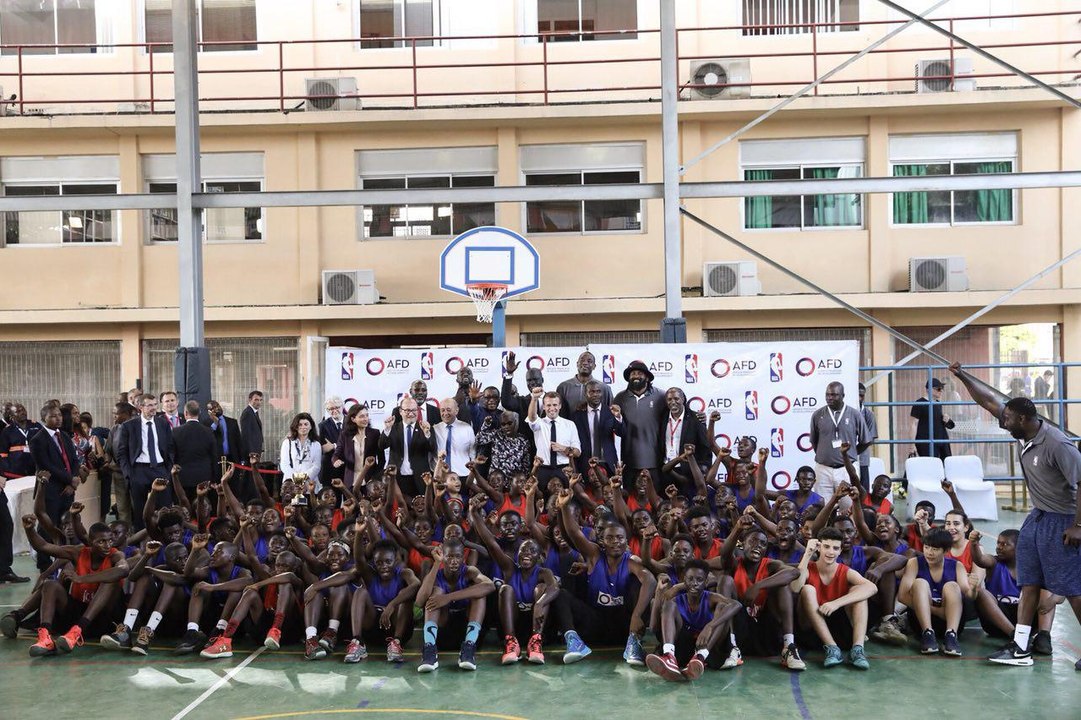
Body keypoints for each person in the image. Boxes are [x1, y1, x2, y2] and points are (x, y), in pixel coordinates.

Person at [949, 361, 1081, 668]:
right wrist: (962, 374)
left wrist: (1078, 524)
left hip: (1064, 519)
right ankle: (1021, 646)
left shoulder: (1058, 444)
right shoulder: (1023, 432)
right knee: (1029, 581)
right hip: (1039, 516)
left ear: (1023, 418)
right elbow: (987, 400)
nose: (1001, 420)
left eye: (1007, 417)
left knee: (1071, 587)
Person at [554, 486, 656, 666]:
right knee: (561, 594)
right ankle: (574, 642)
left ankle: (634, 643)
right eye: (610, 538)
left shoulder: (631, 561)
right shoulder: (594, 555)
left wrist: (637, 615)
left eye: (620, 538)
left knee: (638, 583)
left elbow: (650, 579)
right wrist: (564, 508)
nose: (616, 542)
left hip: (623, 627)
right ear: (602, 541)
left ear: (626, 541)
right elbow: (574, 534)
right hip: (595, 625)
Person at [21, 516, 129, 656]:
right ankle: (44, 637)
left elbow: (123, 570)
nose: (107, 545)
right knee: (50, 585)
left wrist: (82, 578)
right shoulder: (78, 552)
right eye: (101, 542)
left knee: (111, 579)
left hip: (104, 620)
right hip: (78, 614)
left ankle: (77, 632)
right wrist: (29, 530)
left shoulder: (116, 555)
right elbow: (43, 546)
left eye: (109, 541)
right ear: (90, 542)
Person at [791, 530, 876, 669]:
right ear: (819, 547)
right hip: (811, 632)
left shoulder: (845, 571)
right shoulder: (809, 568)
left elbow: (872, 587)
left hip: (840, 631)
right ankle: (831, 649)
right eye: (826, 546)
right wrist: (807, 554)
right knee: (807, 589)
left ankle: (857, 649)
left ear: (840, 551)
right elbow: (795, 588)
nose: (831, 552)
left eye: (835, 548)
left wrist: (836, 603)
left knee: (859, 591)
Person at [644, 558, 741, 681]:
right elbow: (653, 627)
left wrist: (710, 626)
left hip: (710, 651)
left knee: (723, 606)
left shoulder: (711, 598)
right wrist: (659, 592)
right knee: (669, 605)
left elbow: (737, 605)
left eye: (699, 580)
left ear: (706, 582)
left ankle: (700, 657)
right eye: (690, 579)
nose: (695, 583)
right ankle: (669, 656)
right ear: (684, 580)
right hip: (685, 650)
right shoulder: (676, 601)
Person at [415, 541, 496, 672]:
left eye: (457, 556)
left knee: (479, 593)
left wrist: (448, 597)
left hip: (466, 633)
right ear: (443, 557)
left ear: (463, 558)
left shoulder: (470, 571)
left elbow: (490, 585)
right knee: (437, 592)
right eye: (449, 557)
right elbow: (419, 601)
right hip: (443, 634)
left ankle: (468, 649)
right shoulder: (437, 573)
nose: (454, 561)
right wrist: (436, 563)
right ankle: (429, 650)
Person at [897, 527, 970, 656]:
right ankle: (927, 633)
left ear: (946, 551)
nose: (929, 552)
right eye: (926, 547)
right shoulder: (914, 563)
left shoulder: (957, 566)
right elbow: (902, 596)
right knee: (920, 583)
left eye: (935, 549)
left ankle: (951, 635)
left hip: (950, 620)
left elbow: (967, 594)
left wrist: (974, 589)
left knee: (952, 586)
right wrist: (938, 611)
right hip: (921, 620)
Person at [29, 404, 81, 564]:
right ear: (44, 419)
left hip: (67, 489)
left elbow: (73, 460)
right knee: (47, 526)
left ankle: (65, 560)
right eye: (53, 416)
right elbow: (46, 465)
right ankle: (44, 563)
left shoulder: (64, 436)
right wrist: (69, 479)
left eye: (59, 415)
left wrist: (72, 482)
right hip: (49, 489)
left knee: (67, 525)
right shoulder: (37, 440)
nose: (58, 418)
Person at [116, 393, 175, 530]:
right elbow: (122, 453)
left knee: (165, 509)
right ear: (140, 407)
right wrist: (129, 474)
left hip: (160, 469)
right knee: (140, 511)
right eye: (149, 405)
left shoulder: (163, 423)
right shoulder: (129, 426)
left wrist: (167, 469)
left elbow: (170, 447)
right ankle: (140, 544)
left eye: (155, 405)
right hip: (139, 471)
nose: (153, 408)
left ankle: (165, 540)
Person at [807, 382, 869, 505]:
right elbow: (814, 442)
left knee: (848, 506)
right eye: (827, 394)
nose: (830, 397)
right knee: (824, 507)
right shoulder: (818, 415)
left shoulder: (854, 414)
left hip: (846, 469)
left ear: (843, 395)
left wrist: (851, 453)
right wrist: (826, 454)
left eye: (834, 395)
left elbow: (866, 441)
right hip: (823, 468)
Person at [613, 360, 667, 489]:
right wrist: (618, 418)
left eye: (639, 373)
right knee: (631, 499)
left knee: (655, 499)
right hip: (629, 461)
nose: (636, 376)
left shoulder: (661, 396)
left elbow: (677, 414)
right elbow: (618, 431)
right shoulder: (620, 398)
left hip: (655, 460)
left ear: (647, 377)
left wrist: (699, 417)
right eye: (633, 374)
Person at [658, 387, 710, 494]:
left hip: (687, 472)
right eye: (669, 399)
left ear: (683, 399)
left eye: (676, 399)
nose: (673, 402)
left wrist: (704, 468)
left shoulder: (696, 418)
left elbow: (705, 447)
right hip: (666, 470)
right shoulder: (661, 418)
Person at [526, 387, 580, 488]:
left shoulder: (570, 425)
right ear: (544, 407)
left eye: (555, 405)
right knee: (542, 501)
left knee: (565, 500)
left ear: (560, 406)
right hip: (543, 469)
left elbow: (577, 452)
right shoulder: (539, 424)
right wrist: (534, 398)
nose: (551, 408)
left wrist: (564, 448)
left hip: (564, 470)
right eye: (548, 405)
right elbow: (532, 417)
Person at [379, 397, 432, 498]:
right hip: (397, 478)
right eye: (407, 410)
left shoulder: (425, 428)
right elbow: (382, 446)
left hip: (420, 478)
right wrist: (387, 429)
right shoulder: (393, 428)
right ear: (400, 411)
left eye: (414, 410)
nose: (411, 413)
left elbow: (433, 448)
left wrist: (427, 434)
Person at [171, 401, 220, 504]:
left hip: (182, 478)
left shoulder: (175, 432)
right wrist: (214, 479)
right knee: (203, 509)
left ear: (185, 413)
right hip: (204, 478)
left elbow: (172, 456)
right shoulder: (208, 432)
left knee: (185, 511)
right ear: (199, 412)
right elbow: (214, 456)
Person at [570, 379, 622, 475]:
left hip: (608, 462)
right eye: (592, 392)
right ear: (586, 394)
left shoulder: (610, 412)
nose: (595, 394)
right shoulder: (577, 416)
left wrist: (618, 417)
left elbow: (622, 432)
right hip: (585, 463)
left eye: (598, 391)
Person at [205, 400, 250, 501]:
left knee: (234, 487)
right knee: (219, 488)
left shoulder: (232, 422)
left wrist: (242, 460)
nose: (216, 408)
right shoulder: (206, 424)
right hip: (216, 461)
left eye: (217, 406)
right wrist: (215, 423)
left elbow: (239, 441)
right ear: (209, 412)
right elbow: (208, 438)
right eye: (212, 408)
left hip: (232, 459)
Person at [333, 403, 383, 491]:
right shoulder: (345, 435)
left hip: (370, 482)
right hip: (350, 482)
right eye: (361, 416)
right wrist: (335, 460)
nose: (365, 419)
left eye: (367, 415)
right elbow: (337, 453)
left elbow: (382, 459)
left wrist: (375, 477)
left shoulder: (375, 433)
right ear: (353, 419)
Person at [500, 351, 544, 445]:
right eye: (529, 380)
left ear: (542, 380)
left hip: (548, 448)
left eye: (535, 379)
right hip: (527, 449)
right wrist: (509, 374)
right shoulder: (522, 401)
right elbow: (506, 402)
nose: (532, 383)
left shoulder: (553, 400)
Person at [102, 401, 136, 525]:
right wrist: (107, 461)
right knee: (122, 508)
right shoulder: (115, 429)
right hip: (118, 474)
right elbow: (108, 450)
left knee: (137, 506)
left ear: (126, 414)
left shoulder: (136, 428)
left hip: (135, 474)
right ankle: (126, 536)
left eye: (116, 414)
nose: (114, 417)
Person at [557, 351, 613, 418]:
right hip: (569, 427)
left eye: (589, 361)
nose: (585, 363)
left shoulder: (604, 388)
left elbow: (610, 414)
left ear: (594, 366)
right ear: (577, 364)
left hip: (597, 428)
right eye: (582, 360)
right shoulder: (563, 387)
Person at [911, 378, 955, 460]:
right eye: (938, 389)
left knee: (946, 464)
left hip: (941, 440)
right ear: (929, 389)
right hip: (926, 441)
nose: (941, 391)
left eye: (942, 389)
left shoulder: (938, 403)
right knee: (930, 466)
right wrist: (912, 445)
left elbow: (937, 420)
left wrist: (946, 419)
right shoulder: (919, 403)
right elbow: (914, 424)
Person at [430, 398, 475, 477]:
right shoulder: (435, 429)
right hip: (441, 477)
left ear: (456, 411)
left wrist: (473, 478)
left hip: (462, 475)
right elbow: (430, 453)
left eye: (448, 410)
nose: (445, 413)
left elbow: (473, 454)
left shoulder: (466, 428)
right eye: (442, 410)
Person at [279, 412, 321, 490]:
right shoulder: (287, 443)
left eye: (306, 424)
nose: (303, 427)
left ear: (311, 426)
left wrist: (303, 479)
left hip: (309, 485)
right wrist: (297, 480)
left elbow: (316, 466)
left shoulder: (316, 444)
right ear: (295, 427)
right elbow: (284, 464)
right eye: (300, 424)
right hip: (291, 485)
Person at [0, 402, 42, 480]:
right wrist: (8, 470)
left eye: (23, 410)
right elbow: (3, 454)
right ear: (12, 416)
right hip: (15, 474)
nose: (22, 412)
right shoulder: (7, 431)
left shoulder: (37, 426)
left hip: (35, 471)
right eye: (18, 411)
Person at [318, 396, 345, 484]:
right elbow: (323, 448)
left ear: (342, 406)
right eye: (330, 409)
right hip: (330, 470)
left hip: (349, 468)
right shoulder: (323, 426)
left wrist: (334, 446)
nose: (334, 411)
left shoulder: (352, 422)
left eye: (337, 407)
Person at [857, 383, 879, 490]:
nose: (860, 398)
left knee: (863, 489)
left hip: (863, 459)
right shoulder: (844, 413)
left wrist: (856, 450)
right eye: (857, 395)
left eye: (862, 396)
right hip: (847, 459)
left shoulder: (868, 414)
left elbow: (871, 438)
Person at [240, 390, 265, 461]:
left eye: (260, 400)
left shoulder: (254, 412)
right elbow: (246, 435)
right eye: (256, 400)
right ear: (250, 400)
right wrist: (251, 453)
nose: (259, 402)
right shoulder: (247, 413)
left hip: (256, 451)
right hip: (251, 454)